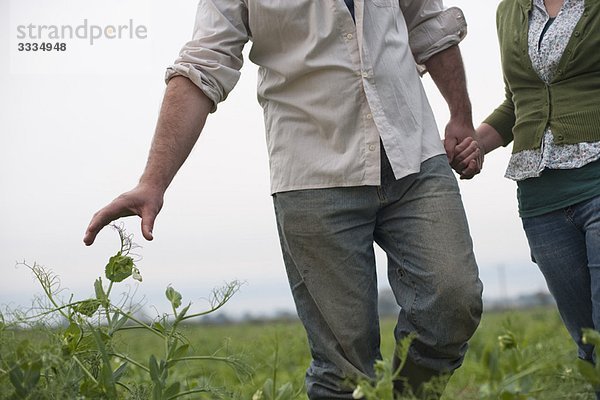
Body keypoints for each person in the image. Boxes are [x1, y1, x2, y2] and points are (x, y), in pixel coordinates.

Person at [83, 1, 484, 398]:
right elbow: (203, 64)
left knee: (454, 300)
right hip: (313, 175)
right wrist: (153, 180)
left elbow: (428, 24)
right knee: (345, 367)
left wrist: (460, 115)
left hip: (414, 151)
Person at [456, 0, 600, 396]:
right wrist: (476, 146)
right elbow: (517, 102)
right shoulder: (510, 11)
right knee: (588, 341)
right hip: (541, 200)